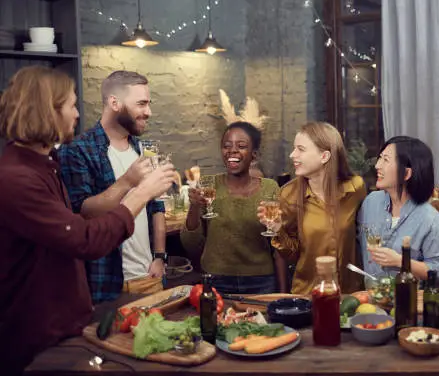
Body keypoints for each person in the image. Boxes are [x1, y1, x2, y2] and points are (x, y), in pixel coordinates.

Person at [0, 66, 174, 374]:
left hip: (62, 326)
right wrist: (139, 192)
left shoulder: (44, 166)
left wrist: (158, 254)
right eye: (70, 105)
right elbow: (84, 238)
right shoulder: (18, 178)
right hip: (35, 336)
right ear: (46, 111)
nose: (76, 114)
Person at [58, 71, 168, 303]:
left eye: (148, 104)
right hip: (107, 281)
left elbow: (157, 206)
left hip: (150, 275)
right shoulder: (78, 149)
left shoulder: (142, 149)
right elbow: (82, 212)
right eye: (141, 104)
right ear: (114, 103)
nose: (148, 112)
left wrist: (159, 256)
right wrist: (128, 181)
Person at [258, 122, 367, 295]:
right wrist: (278, 229)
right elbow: (292, 254)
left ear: (324, 156)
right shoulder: (289, 194)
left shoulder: (355, 188)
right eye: (294, 148)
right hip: (309, 294)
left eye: (301, 149)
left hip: (350, 294)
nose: (292, 155)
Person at [181, 121, 287, 293]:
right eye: (226, 146)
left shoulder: (270, 188)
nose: (232, 150)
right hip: (216, 280)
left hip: (261, 282)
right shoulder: (209, 187)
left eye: (242, 146)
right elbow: (191, 244)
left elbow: (279, 245)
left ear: (254, 155)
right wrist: (193, 207)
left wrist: (283, 294)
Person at [359, 136, 439, 282]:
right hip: (370, 299)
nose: (377, 165)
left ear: (406, 173)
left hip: (408, 299)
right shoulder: (370, 202)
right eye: (380, 158)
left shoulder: (429, 219)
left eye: (385, 160)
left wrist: (400, 261)